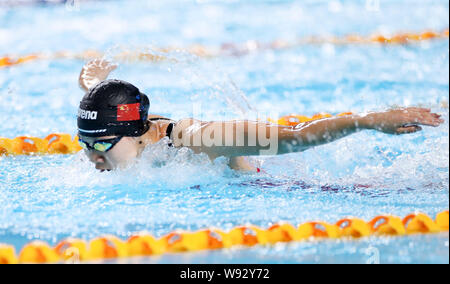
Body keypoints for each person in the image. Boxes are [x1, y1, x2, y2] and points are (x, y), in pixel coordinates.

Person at [77, 59, 444, 171]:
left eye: (102, 144)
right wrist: (93, 81)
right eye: (86, 144)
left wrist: (367, 120)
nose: (93, 157)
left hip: (277, 188)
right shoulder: (128, 132)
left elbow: (297, 136)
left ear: (137, 132)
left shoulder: (199, 139)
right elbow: (100, 103)